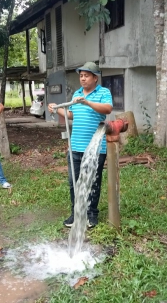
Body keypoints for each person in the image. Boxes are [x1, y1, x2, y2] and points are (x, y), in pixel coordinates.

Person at [48, 62, 113, 228]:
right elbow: (71, 114)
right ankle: (76, 213)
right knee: (74, 182)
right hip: (75, 147)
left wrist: (88, 103)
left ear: (95, 78)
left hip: (95, 148)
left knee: (93, 181)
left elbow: (108, 109)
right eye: (81, 76)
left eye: (86, 75)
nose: (83, 79)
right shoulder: (76, 94)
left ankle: (91, 214)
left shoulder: (103, 92)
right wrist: (56, 109)